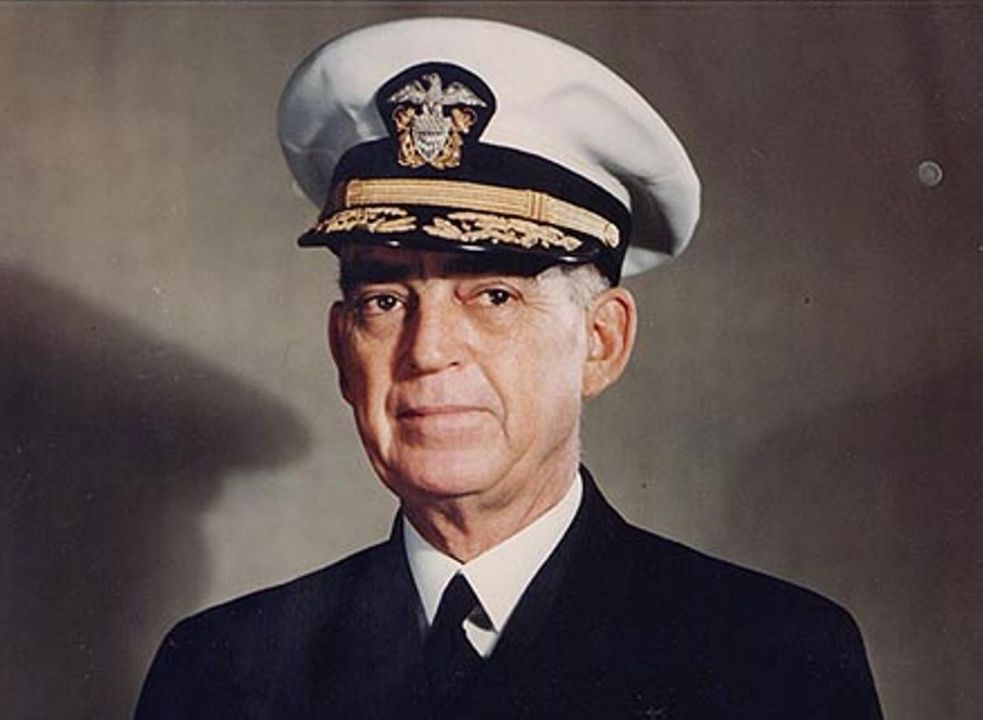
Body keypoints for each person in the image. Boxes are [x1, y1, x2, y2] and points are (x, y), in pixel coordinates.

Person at [136, 17, 882, 719]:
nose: (427, 350)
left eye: (494, 295)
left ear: (600, 341)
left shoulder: (772, 661)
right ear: (342, 349)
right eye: (384, 301)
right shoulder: (221, 673)